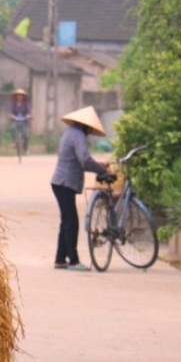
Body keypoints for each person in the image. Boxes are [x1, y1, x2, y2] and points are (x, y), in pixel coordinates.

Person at [51, 106, 110, 271]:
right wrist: (102, 170)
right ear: (87, 125)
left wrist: (98, 164)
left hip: (60, 182)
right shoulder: (78, 135)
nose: (91, 131)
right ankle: (74, 260)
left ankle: (60, 259)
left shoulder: (71, 132)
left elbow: (79, 160)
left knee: (66, 221)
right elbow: (84, 160)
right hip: (64, 183)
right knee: (72, 222)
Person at [9, 89, 32, 154]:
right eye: (18, 95)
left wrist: (29, 116)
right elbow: (11, 112)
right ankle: (14, 142)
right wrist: (11, 116)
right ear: (16, 96)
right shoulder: (14, 104)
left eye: (21, 95)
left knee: (26, 134)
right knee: (12, 128)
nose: (19, 97)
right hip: (16, 120)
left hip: (24, 120)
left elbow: (29, 112)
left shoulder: (26, 104)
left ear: (23, 97)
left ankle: (26, 149)